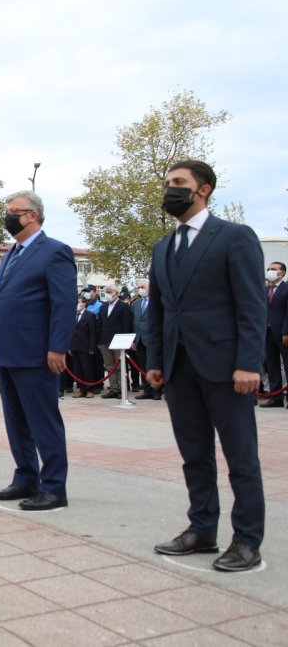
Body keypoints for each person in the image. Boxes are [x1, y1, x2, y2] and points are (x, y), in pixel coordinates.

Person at [146, 159, 266, 572]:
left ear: (204, 189)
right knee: (194, 455)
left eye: (179, 182)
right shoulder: (163, 247)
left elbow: (252, 306)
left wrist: (248, 362)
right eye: (168, 182)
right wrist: (156, 361)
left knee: (241, 458)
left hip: (226, 368)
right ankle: (202, 529)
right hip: (179, 368)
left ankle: (247, 540)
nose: (170, 189)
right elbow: (159, 311)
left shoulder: (234, 237)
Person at [0, 190, 76, 511]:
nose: (8, 217)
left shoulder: (54, 251)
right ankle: (26, 477)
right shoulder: (11, 254)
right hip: (6, 352)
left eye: (13, 211)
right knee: (16, 421)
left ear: (32, 215)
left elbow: (64, 303)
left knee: (43, 421)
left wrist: (58, 346)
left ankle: (54, 487)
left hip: (36, 353)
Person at [97, 285, 134, 399]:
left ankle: (122, 389)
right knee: (109, 366)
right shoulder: (103, 307)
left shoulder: (123, 306)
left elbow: (127, 324)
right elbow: (100, 324)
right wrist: (99, 340)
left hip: (119, 341)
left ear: (116, 293)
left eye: (109, 291)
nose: (107, 294)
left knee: (119, 366)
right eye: (106, 292)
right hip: (105, 340)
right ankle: (114, 388)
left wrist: (127, 341)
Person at [260, 261, 288, 408]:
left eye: (273, 269)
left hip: (283, 333)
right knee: (272, 365)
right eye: (268, 268)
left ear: (282, 272)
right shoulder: (265, 290)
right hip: (267, 332)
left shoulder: (286, 289)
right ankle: (276, 397)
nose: (269, 271)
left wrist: (286, 332)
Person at [132, 279, 161, 400]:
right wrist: (133, 339)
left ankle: (156, 390)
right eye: (139, 287)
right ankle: (147, 390)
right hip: (139, 339)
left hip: (152, 339)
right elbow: (134, 322)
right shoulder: (136, 303)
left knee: (154, 365)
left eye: (142, 287)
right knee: (142, 366)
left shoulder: (158, 301)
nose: (140, 289)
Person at [69, 300, 99, 398]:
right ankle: (81, 389)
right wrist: (69, 347)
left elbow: (93, 333)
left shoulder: (90, 315)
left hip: (85, 347)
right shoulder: (73, 315)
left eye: (79, 303)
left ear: (84, 304)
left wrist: (92, 347)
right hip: (75, 346)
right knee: (78, 369)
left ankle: (89, 389)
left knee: (87, 369)